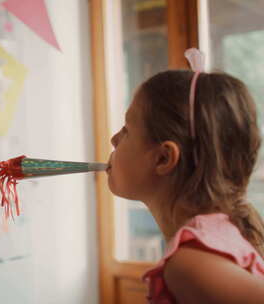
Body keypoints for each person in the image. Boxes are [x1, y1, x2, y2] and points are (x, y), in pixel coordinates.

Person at [107, 48, 264, 303]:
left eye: (126, 130)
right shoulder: (213, 238)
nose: (114, 139)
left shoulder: (190, 264)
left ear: (163, 158)